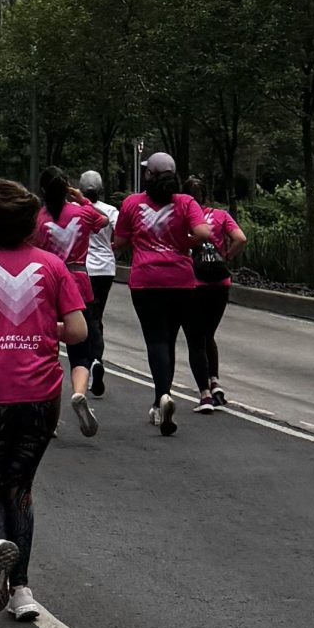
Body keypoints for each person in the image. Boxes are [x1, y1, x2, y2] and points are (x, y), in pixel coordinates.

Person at [0, 178, 88, 623]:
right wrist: (45, 330)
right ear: (31, 224)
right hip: (40, 392)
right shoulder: (51, 265)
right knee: (20, 489)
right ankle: (22, 591)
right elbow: (80, 331)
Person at [113, 151, 214, 436]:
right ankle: (164, 397)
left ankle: (162, 397)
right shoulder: (185, 202)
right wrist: (186, 241)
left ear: (149, 175)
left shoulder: (132, 203)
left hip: (146, 281)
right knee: (172, 337)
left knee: (157, 340)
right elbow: (204, 233)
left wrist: (136, 239)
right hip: (181, 280)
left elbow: (119, 242)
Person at [36, 168, 104, 437]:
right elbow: (102, 222)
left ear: (42, 191)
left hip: (47, 285)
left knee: (48, 352)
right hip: (79, 284)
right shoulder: (82, 213)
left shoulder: (37, 219)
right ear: (66, 188)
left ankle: (49, 418)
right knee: (81, 350)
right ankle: (78, 392)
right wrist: (82, 199)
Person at [187, 199, 244, 408]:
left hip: (196, 282)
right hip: (220, 283)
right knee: (209, 334)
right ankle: (215, 381)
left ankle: (205, 395)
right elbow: (240, 238)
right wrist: (226, 255)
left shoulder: (187, 216)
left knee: (197, 338)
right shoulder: (221, 216)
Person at [77, 170, 118, 400]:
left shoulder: (77, 210)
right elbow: (119, 238)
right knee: (97, 316)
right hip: (106, 270)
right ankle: (96, 360)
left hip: (85, 269)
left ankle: (90, 362)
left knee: (85, 318)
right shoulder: (111, 211)